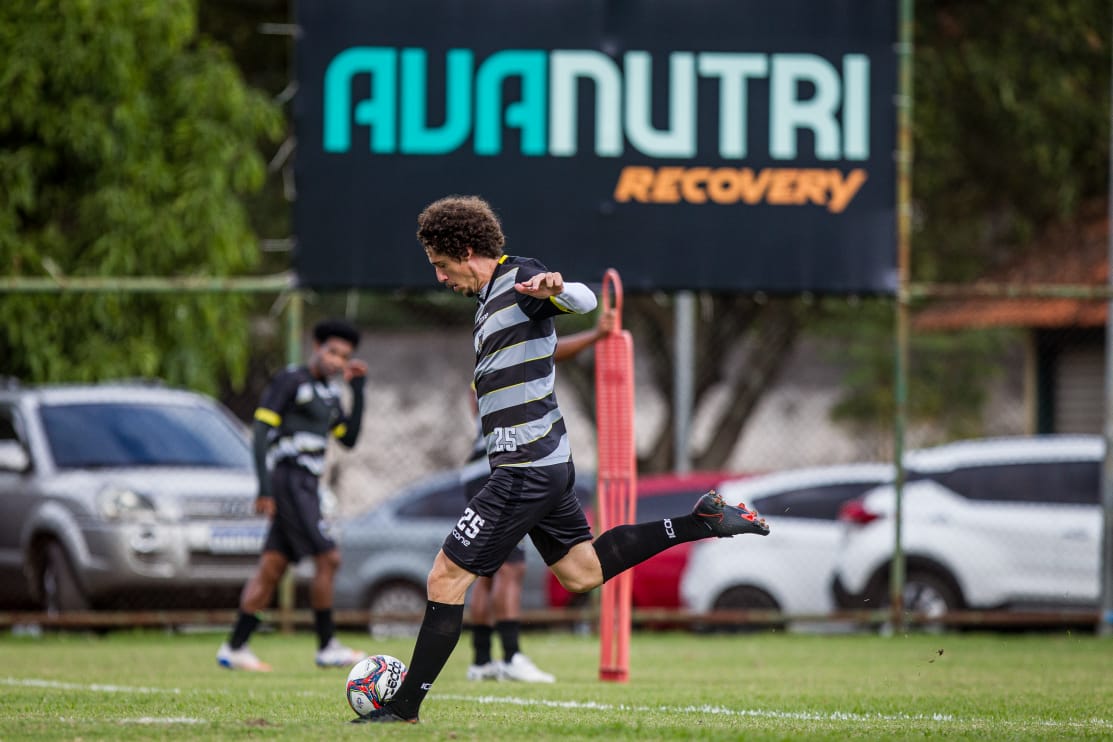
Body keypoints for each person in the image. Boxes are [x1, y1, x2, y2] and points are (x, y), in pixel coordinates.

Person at [355, 195, 769, 723]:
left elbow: (580, 300)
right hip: (541, 464)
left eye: (440, 265)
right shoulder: (487, 305)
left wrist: (558, 288)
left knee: (444, 578)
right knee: (581, 571)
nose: (439, 278)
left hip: (526, 465)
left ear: (464, 250)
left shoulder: (519, 280)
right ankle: (701, 520)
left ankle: (404, 706)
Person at [464, 308, 617, 684]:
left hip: (480, 464)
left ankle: (482, 660)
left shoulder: (491, 349)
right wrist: (597, 335)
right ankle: (512, 656)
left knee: (487, 571)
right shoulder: (510, 351)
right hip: (505, 468)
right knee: (511, 569)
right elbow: (551, 350)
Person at [217, 319, 369, 672]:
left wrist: (358, 390)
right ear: (316, 347)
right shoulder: (291, 381)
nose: (336, 361)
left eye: (344, 357)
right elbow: (260, 433)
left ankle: (235, 646)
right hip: (289, 481)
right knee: (329, 558)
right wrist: (265, 488)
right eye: (332, 352)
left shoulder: (330, 394)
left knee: (272, 566)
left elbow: (348, 438)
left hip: (308, 486)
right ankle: (327, 645)